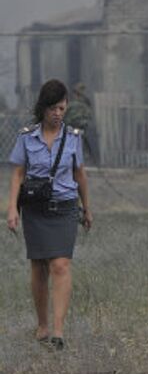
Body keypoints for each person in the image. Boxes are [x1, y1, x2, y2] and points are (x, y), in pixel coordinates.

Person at [6, 79, 93, 350]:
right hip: (34, 209)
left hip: (65, 207)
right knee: (39, 267)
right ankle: (42, 324)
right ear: (43, 108)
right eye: (53, 108)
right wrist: (11, 209)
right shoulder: (26, 137)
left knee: (60, 265)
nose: (58, 113)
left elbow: (80, 174)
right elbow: (18, 173)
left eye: (62, 108)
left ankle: (58, 331)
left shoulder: (74, 138)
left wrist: (87, 207)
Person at [64, 82, 98, 164]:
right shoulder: (73, 104)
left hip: (80, 127)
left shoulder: (82, 104)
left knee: (80, 144)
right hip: (74, 127)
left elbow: (88, 115)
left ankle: (83, 160)